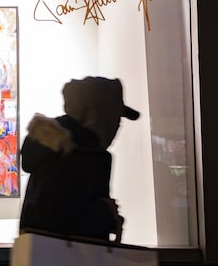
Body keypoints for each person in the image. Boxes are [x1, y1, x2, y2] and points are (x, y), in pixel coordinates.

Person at [19, 76, 140, 242]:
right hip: (70, 253)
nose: (118, 125)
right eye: (116, 116)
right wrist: (107, 214)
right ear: (99, 114)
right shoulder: (82, 153)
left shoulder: (57, 146)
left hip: (44, 251)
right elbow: (56, 214)